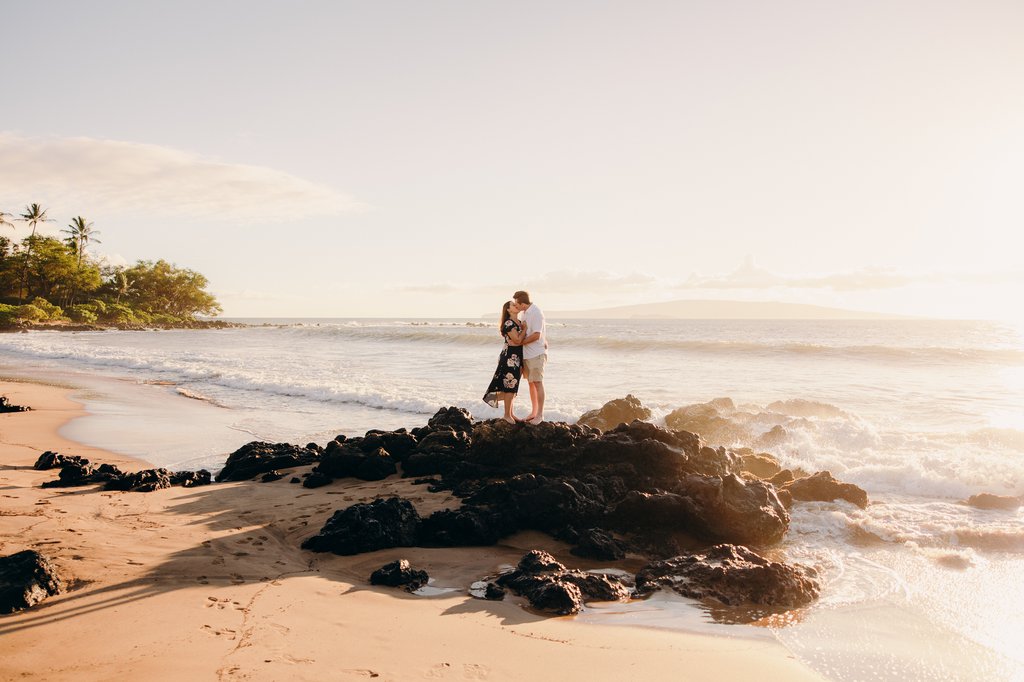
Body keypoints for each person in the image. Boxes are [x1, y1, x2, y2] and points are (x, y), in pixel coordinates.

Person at [482, 300, 526, 423]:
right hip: (509, 358)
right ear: (508, 309)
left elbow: (519, 341)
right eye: (513, 305)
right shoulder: (508, 323)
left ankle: (510, 413)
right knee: (509, 386)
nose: (516, 305)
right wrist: (525, 330)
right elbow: (517, 340)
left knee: (513, 387)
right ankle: (507, 415)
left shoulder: (519, 322)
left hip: (517, 358)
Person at [513, 290, 546, 424]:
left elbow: (537, 335)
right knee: (531, 384)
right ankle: (534, 412)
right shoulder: (524, 313)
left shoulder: (536, 312)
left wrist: (520, 342)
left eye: (517, 303)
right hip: (527, 354)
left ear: (523, 303)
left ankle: (540, 415)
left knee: (537, 383)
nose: (516, 306)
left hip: (536, 353)